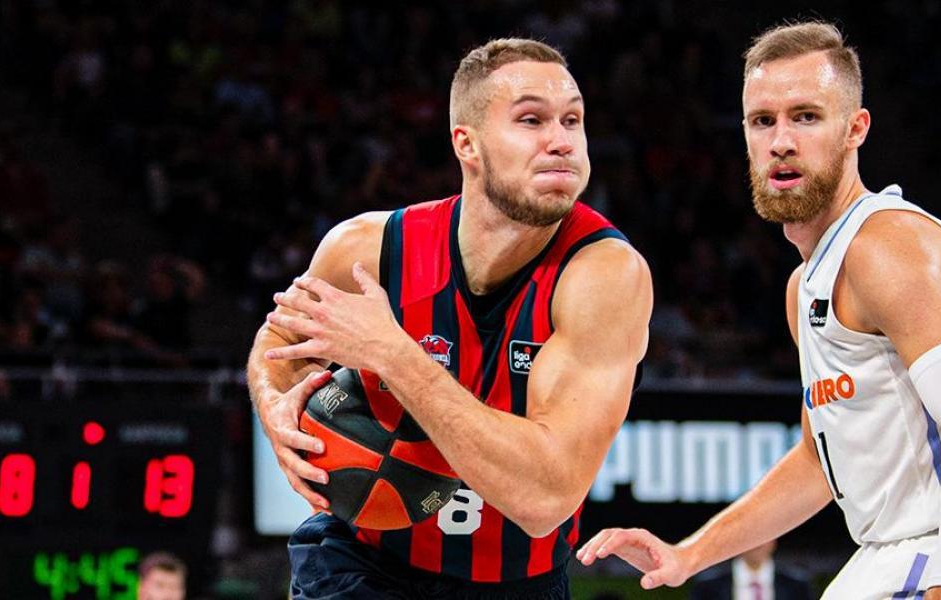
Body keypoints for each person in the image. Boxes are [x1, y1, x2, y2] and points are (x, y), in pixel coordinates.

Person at [578, 21, 941, 599]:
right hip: (903, 557)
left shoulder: (883, 249)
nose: (781, 142)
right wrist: (690, 553)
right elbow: (819, 464)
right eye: (762, 121)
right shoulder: (807, 286)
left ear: (856, 129)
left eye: (806, 116)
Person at [246, 38, 651, 599]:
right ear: (468, 144)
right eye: (532, 120)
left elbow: (544, 501)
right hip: (361, 563)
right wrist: (275, 406)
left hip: (518, 582)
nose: (561, 142)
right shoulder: (369, 248)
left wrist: (393, 354)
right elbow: (280, 338)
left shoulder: (604, 275)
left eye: (573, 120)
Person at [689, 539, 813, 600]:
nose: (757, 542)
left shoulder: (797, 585)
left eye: (764, 536)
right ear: (736, 542)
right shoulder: (708, 586)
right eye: (751, 536)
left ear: (774, 540)